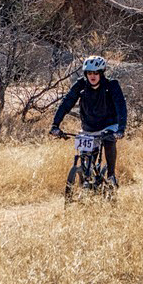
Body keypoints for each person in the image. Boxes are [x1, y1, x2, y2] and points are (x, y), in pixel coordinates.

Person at [50, 56, 127, 187]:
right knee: (86, 158)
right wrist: (55, 125)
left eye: (96, 73)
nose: (93, 76)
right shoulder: (81, 85)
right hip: (89, 126)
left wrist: (121, 129)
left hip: (109, 124)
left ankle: (111, 176)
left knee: (108, 141)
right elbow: (66, 103)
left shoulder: (111, 85)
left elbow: (121, 106)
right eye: (89, 73)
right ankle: (86, 180)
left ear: (101, 73)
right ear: (86, 74)